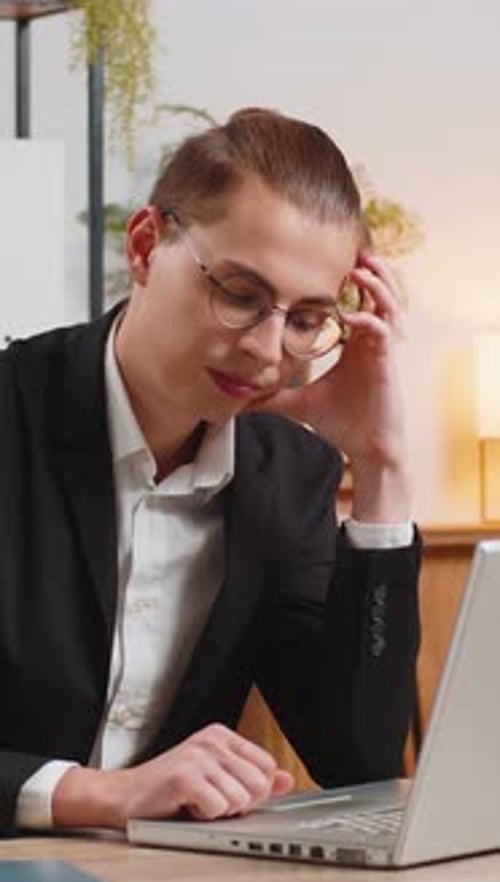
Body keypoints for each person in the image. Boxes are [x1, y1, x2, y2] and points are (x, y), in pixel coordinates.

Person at [0, 107, 421, 836]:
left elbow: (359, 754)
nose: (266, 349)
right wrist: (99, 794)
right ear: (143, 247)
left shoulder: (287, 477)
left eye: (304, 319)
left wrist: (380, 465)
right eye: (239, 294)